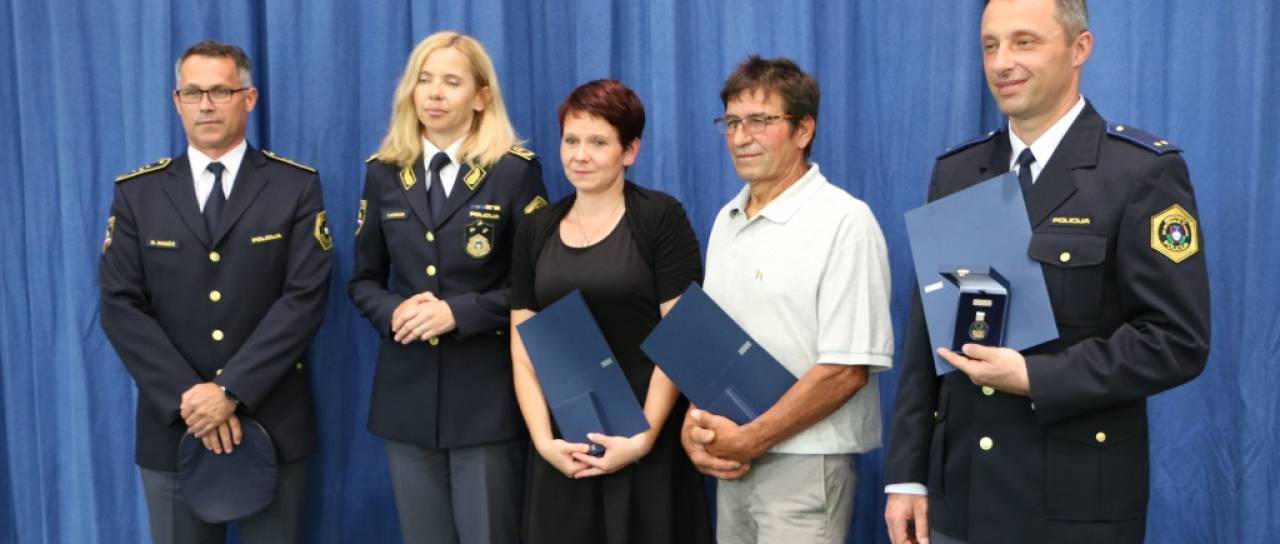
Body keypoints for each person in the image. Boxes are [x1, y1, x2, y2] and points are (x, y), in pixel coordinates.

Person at [883, 1, 1211, 542]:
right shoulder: (958, 171)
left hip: (1073, 503)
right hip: (960, 497)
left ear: (1080, 48)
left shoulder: (1140, 172)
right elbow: (927, 336)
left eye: (1024, 42)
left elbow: (1177, 340)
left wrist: (1036, 377)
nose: (1001, 62)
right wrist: (907, 476)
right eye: (990, 46)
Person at [98, 40, 330, 543]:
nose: (205, 104)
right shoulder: (138, 194)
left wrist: (229, 392)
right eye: (193, 92)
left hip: (273, 421)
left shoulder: (294, 187)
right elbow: (120, 306)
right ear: (176, 101)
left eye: (220, 91)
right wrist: (192, 399)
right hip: (174, 426)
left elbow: (304, 299)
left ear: (249, 98)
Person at [682, 56, 895, 544]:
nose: (741, 137)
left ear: (803, 130)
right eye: (732, 122)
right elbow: (713, 349)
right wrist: (695, 428)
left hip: (804, 468)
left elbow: (846, 370)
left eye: (760, 120)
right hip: (733, 463)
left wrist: (750, 438)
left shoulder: (844, 221)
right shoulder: (726, 221)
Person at [348, 31, 547, 544]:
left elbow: (539, 285)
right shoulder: (383, 173)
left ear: (481, 97)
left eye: (452, 82)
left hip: (486, 397)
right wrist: (393, 312)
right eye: (425, 79)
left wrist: (460, 312)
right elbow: (364, 280)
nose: (434, 93)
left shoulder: (514, 172)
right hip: (407, 397)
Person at [509, 79, 712, 543]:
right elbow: (523, 349)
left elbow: (681, 336)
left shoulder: (660, 218)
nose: (580, 155)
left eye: (598, 142)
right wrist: (544, 442)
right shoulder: (536, 229)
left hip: (647, 444)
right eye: (571, 140)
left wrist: (642, 440)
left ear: (630, 150)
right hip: (565, 448)